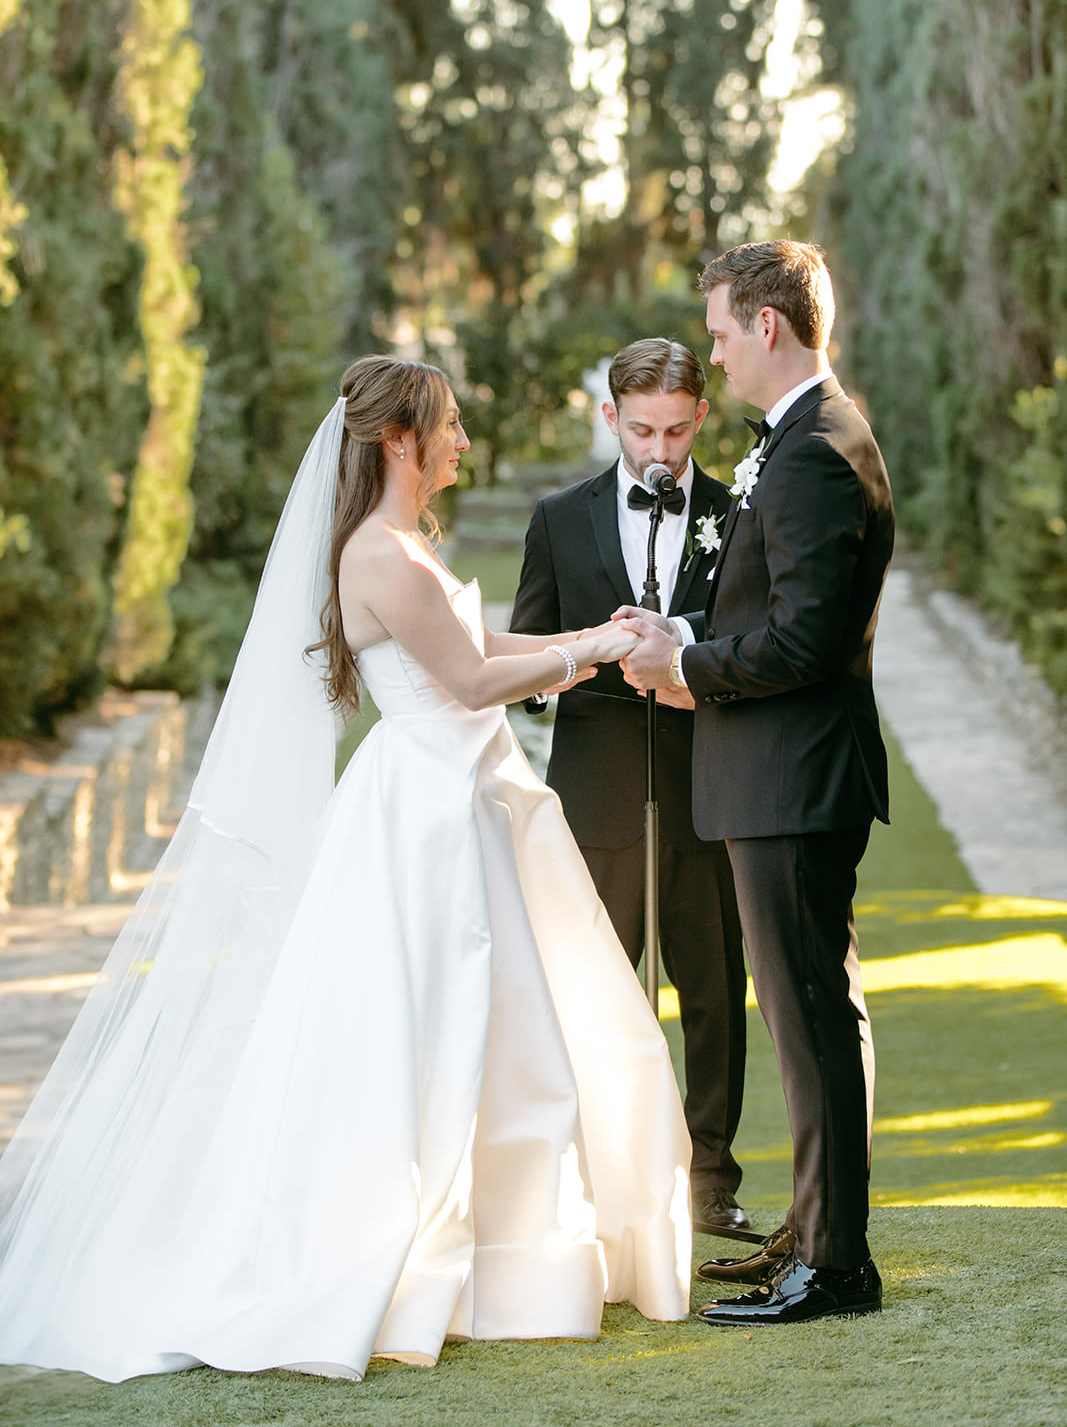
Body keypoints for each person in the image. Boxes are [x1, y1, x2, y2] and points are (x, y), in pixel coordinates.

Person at [0, 356, 692, 1384]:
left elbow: (476, 638)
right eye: (447, 426)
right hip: (422, 810)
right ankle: (416, 1251)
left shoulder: (401, 547)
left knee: (505, 1020)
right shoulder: (377, 553)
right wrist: (592, 646)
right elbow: (465, 678)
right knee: (431, 1019)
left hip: (458, 790)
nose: (461, 440)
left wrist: (586, 639)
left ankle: (504, 1255)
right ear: (396, 440)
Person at [618, 242, 894, 1326]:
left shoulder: (818, 448)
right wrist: (678, 629)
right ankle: (814, 1232)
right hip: (775, 777)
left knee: (809, 1018)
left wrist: (681, 670)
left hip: (789, 779)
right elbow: (764, 607)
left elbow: (807, 642)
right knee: (818, 1015)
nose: (717, 352)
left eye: (724, 332)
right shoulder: (800, 441)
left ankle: (833, 1266)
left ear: (768, 327)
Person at [510, 338, 751, 1242]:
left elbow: (746, 631)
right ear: (610, 418)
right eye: (642, 430)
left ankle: (710, 1184)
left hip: (709, 785)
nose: (660, 450)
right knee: (594, 992)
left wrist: (675, 634)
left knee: (714, 991)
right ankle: (603, 1177)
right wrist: (584, 651)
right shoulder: (558, 518)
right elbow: (530, 652)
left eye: (678, 432)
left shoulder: (734, 512)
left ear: (700, 420)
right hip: (596, 790)